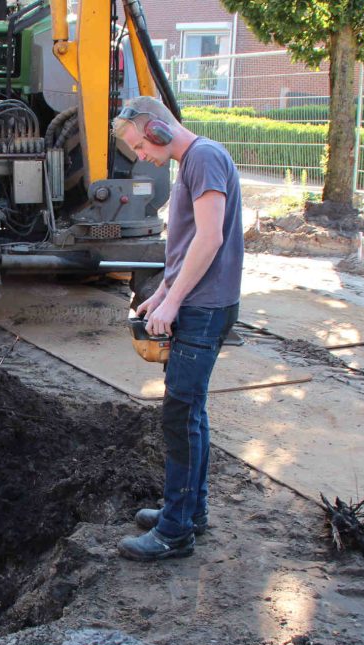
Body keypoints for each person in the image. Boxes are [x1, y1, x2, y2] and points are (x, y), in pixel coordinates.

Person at [111, 95, 244, 562]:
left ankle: (174, 533)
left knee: (179, 416)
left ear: (158, 132)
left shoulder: (203, 159)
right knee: (192, 413)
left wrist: (175, 301)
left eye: (140, 146)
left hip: (204, 309)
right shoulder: (192, 163)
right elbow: (186, 241)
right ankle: (190, 510)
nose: (142, 157)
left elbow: (210, 239)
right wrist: (162, 291)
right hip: (200, 302)